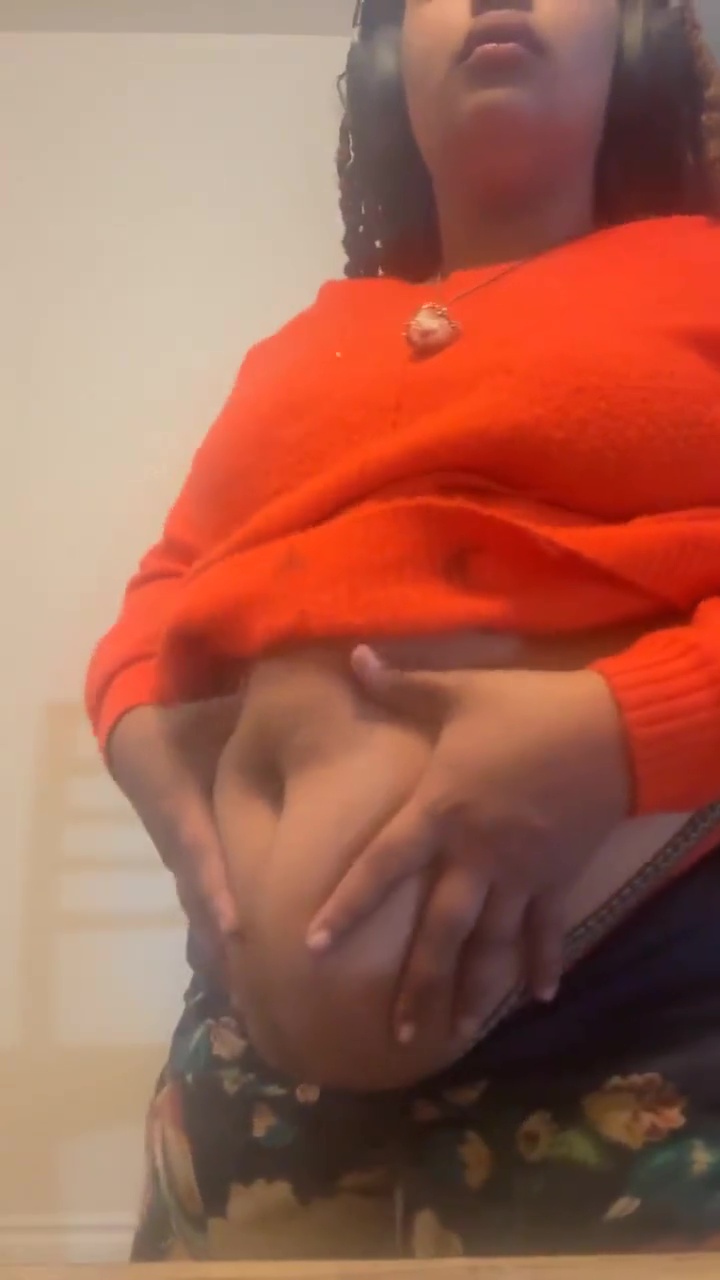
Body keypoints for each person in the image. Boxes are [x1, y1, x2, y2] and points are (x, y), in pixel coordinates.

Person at [86, 0, 720, 1260]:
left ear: (635, 45)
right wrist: (137, 730)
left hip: (630, 1022)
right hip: (250, 1074)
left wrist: (617, 730)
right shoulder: (302, 344)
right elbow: (165, 585)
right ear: (388, 68)